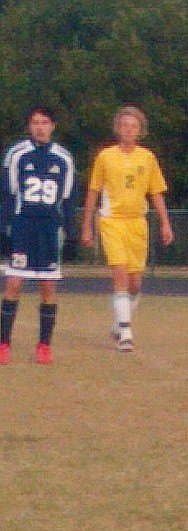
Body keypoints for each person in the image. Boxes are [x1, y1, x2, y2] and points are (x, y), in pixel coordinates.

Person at [80, 105, 174, 352]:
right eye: (124, 125)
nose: (128, 130)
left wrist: (165, 223)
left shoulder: (147, 157)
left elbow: (156, 192)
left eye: (133, 126)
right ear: (117, 129)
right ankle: (126, 333)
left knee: (135, 283)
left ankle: (119, 323)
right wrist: (87, 225)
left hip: (137, 224)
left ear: (140, 130)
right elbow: (93, 191)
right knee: (120, 274)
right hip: (111, 221)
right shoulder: (105, 156)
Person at [0, 106, 77, 365]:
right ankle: (3, 343)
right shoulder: (17, 154)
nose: (40, 127)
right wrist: (3, 230)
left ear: (53, 126)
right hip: (23, 226)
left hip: (49, 229)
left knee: (48, 287)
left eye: (45, 123)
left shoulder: (63, 157)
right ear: (28, 127)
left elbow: (67, 198)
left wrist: (71, 232)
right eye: (35, 123)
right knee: (13, 284)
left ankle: (44, 345)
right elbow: (8, 195)